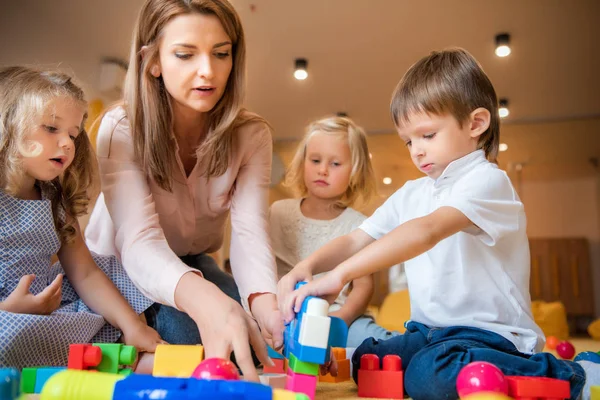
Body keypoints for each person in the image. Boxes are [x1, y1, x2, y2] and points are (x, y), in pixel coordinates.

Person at [278, 49, 597, 399]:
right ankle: (431, 361)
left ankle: (575, 373)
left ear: (476, 124)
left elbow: (426, 231)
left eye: (427, 135)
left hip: (490, 335)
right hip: (429, 332)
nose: (416, 150)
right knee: (369, 360)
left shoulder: (486, 181)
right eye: (409, 141)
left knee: (429, 376)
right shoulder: (412, 192)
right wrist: (308, 267)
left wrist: (340, 276)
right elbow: (357, 238)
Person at [85, 0, 281, 380]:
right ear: (152, 61)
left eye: (221, 53)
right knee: (191, 342)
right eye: (185, 54)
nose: (208, 71)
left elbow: (249, 232)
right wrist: (208, 303)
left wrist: (264, 302)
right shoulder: (121, 127)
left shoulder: (252, 135)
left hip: (191, 262)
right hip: (120, 269)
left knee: (256, 335)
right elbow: (139, 242)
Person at [0, 66, 162, 370]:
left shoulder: (55, 201)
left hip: (47, 309)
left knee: (109, 269)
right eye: (51, 128)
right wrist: (10, 309)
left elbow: (84, 273)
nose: (67, 143)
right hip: (6, 316)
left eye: (73, 135)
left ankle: (126, 351)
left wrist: (132, 325)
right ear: (9, 124)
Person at [271, 116, 399, 348]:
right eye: (315, 160)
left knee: (376, 342)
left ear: (355, 172)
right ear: (303, 163)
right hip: (280, 313)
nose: (322, 170)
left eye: (335, 164)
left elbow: (363, 286)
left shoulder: (359, 225)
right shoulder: (278, 212)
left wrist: (341, 320)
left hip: (335, 314)